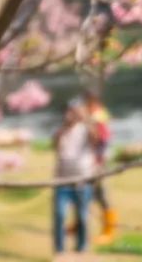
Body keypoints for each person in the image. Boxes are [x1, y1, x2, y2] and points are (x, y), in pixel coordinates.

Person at [52, 101, 95, 254]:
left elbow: (95, 139)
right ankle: (59, 250)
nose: (71, 115)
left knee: (82, 217)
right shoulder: (61, 131)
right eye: (69, 112)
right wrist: (65, 127)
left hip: (82, 181)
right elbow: (55, 144)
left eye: (74, 112)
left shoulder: (86, 129)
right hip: (62, 181)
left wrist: (86, 119)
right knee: (60, 215)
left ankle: (82, 248)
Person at [83, 89, 118, 244]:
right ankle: (80, 225)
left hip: (99, 162)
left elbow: (103, 141)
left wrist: (98, 161)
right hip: (90, 161)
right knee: (85, 194)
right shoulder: (94, 115)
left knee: (101, 194)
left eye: (88, 102)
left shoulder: (99, 116)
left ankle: (108, 230)